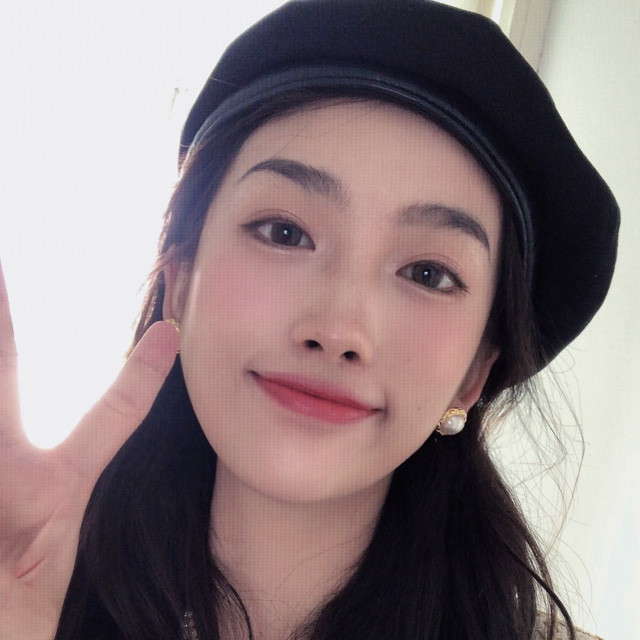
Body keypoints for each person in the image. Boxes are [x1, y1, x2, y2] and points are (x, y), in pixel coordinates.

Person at [0, 1, 619, 639]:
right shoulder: (28, 588)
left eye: (427, 273)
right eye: (285, 232)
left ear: (473, 375)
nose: (337, 330)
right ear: (180, 284)